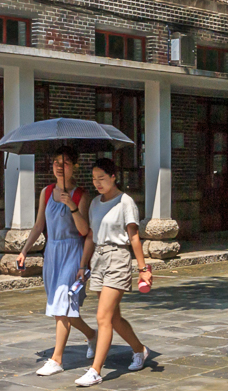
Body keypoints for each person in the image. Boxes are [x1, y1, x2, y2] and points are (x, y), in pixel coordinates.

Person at [17, 147, 97, 377]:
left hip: (73, 252)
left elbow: (85, 231)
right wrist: (24, 250)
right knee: (62, 309)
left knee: (62, 303)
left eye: (65, 163)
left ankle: (56, 359)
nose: (60, 167)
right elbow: (39, 225)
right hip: (52, 253)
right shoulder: (46, 192)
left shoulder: (81, 195)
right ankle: (92, 335)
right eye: (56, 162)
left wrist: (71, 205)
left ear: (75, 166)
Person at [74, 158, 151, 386]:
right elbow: (90, 235)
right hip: (98, 259)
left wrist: (143, 269)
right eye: (94, 179)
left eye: (102, 178)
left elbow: (134, 236)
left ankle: (95, 371)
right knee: (113, 318)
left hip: (118, 258)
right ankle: (140, 350)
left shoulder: (125, 202)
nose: (97, 183)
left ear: (113, 177)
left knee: (102, 317)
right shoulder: (95, 203)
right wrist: (83, 264)